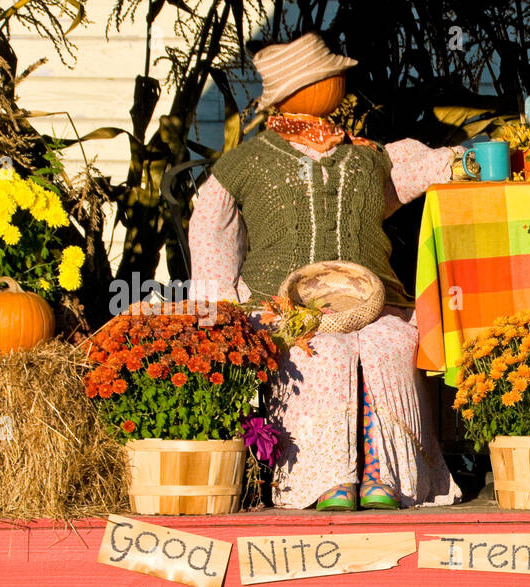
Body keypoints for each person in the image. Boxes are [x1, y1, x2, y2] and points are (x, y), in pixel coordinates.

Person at [189, 33, 460, 511]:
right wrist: (221, 309)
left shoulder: (365, 156)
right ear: (310, 85)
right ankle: (326, 477)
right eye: (332, 76)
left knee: (390, 344)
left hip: (372, 299)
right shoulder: (245, 163)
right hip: (281, 302)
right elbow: (213, 229)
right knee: (321, 354)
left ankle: (386, 475)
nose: (340, 82)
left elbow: (405, 180)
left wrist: (461, 163)